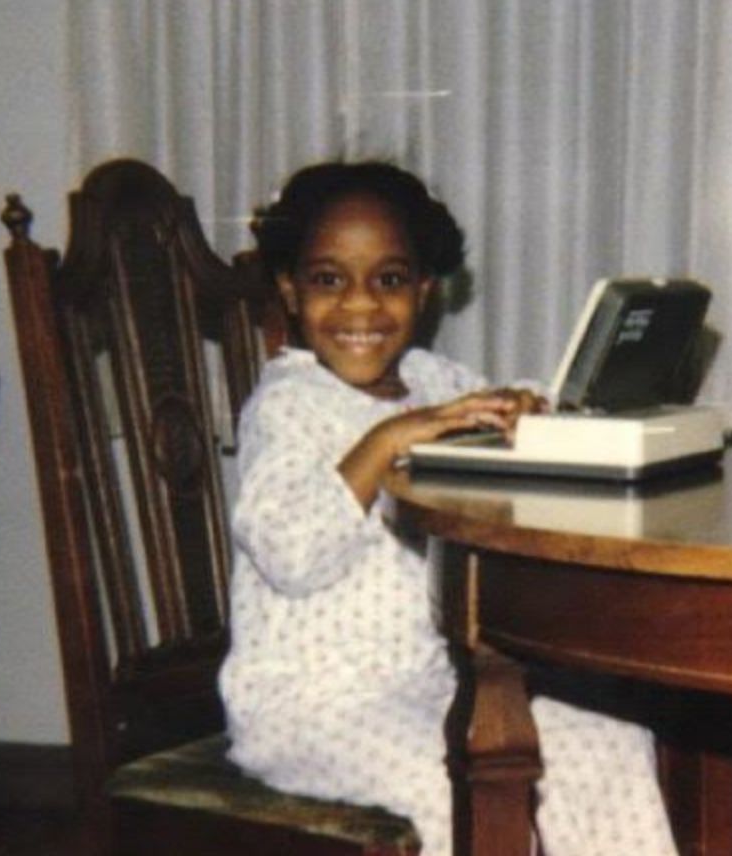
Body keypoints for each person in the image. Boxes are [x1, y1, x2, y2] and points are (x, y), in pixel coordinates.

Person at [218, 160, 678, 856]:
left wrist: (525, 407)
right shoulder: (285, 407)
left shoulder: (430, 379)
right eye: (328, 280)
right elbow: (289, 554)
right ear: (288, 288)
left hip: (431, 687)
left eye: (390, 280)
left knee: (611, 746)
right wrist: (384, 441)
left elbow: (496, 400)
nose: (362, 307)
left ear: (425, 290)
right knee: (463, 787)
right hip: (309, 711)